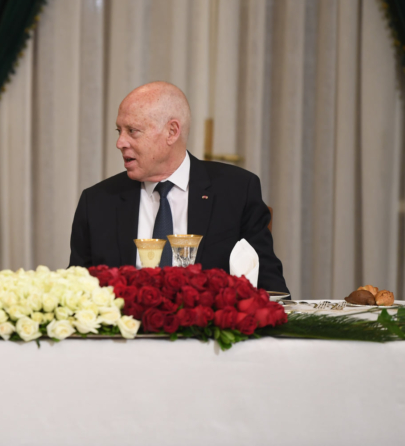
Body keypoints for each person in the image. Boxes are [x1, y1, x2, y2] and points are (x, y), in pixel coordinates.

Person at [69, 82, 289, 294]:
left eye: (132, 131)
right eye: (119, 131)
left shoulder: (236, 191)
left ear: (172, 132)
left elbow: (270, 287)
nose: (120, 143)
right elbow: (75, 291)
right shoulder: (98, 202)